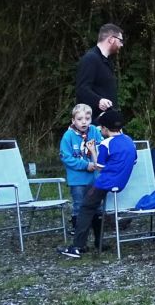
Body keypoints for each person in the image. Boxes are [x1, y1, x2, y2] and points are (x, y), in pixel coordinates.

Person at [57, 108, 135, 259]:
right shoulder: (128, 140)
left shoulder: (106, 143)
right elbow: (134, 160)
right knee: (93, 204)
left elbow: (99, 166)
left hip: (105, 182)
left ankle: (77, 247)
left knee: (85, 208)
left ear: (105, 128)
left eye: (102, 128)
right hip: (121, 182)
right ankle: (98, 242)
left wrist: (92, 150)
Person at [59, 103, 102, 239]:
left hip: (94, 178)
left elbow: (101, 147)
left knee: (96, 207)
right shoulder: (68, 136)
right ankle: (79, 240)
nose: (84, 122)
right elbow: (66, 157)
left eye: (87, 118)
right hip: (77, 179)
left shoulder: (94, 131)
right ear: (73, 120)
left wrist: (96, 158)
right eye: (80, 119)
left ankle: (98, 240)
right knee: (79, 206)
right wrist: (85, 165)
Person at [75, 24, 124, 113]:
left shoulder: (108, 61)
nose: (122, 45)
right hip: (94, 122)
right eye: (120, 41)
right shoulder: (90, 59)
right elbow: (82, 89)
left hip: (107, 121)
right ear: (111, 39)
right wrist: (99, 101)